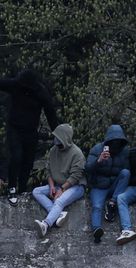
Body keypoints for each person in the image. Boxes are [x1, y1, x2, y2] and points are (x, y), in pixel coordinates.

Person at [0, 70, 60, 205]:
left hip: (31, 131)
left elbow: (50, 113)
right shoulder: (16, 84)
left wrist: (58, 133)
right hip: (14, 128)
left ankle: (22, 188)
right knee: (16, 156)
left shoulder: (40, 91)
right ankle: (12, 187)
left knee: (28, 161)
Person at [30, 124, 84, 242]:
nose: (55, 140)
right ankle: (58, 214)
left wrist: (62, 189)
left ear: (65, 138)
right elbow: (48, 170)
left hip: (75, 186)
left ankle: (46, 224)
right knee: (36, 191)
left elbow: (76, 176)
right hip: (58, 184)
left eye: (58, 138)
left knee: (59, 201)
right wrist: (52, 186)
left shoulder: (77, 153)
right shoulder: (53, 150)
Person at [82, 123, 129, 245]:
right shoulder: (97, 149)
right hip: (99, 185)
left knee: (126, 173)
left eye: (118, 141)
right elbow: (87, 169)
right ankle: (96, 229)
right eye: (113, 141)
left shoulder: (124, 152)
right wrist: (99, 160)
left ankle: (112, 203)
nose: (115, 144)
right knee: (97, 206)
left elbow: (127, 171)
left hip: (114, 186)